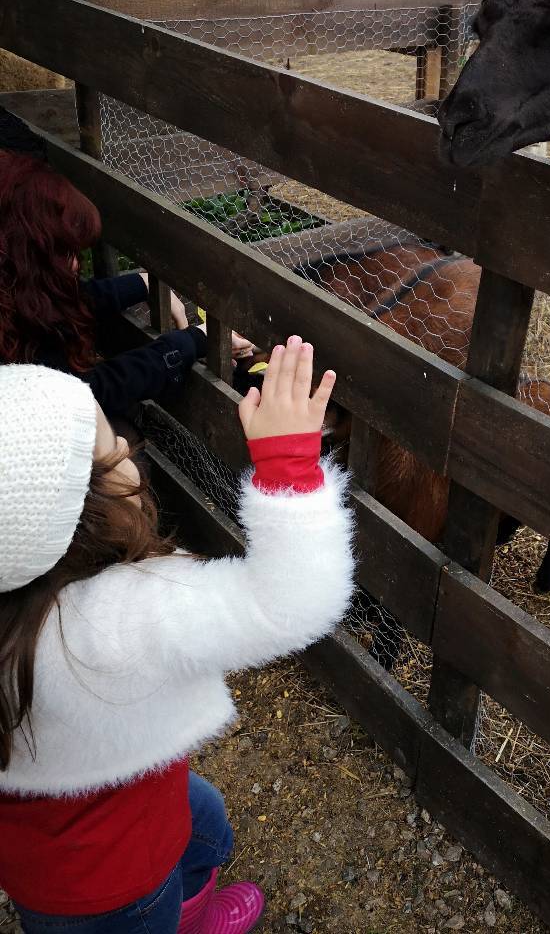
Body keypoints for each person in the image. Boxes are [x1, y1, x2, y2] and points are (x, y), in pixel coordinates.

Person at [0, 337, 355, 932]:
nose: (125, 447)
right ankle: (184, 917)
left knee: (204, 820)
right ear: (85, 510)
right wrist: (288, 463)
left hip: (37, 848)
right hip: (115, 885)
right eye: (114, 447)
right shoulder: (116, 619)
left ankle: (191, 901)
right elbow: (291, 604)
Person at [0, 110, 253, 419]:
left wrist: (140, 283)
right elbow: (86, 396)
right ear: (23, 251)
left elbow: (41, 300)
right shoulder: (27, 373)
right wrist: (191, 341)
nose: (77, 265)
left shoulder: (11, 283)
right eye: (63, 252)